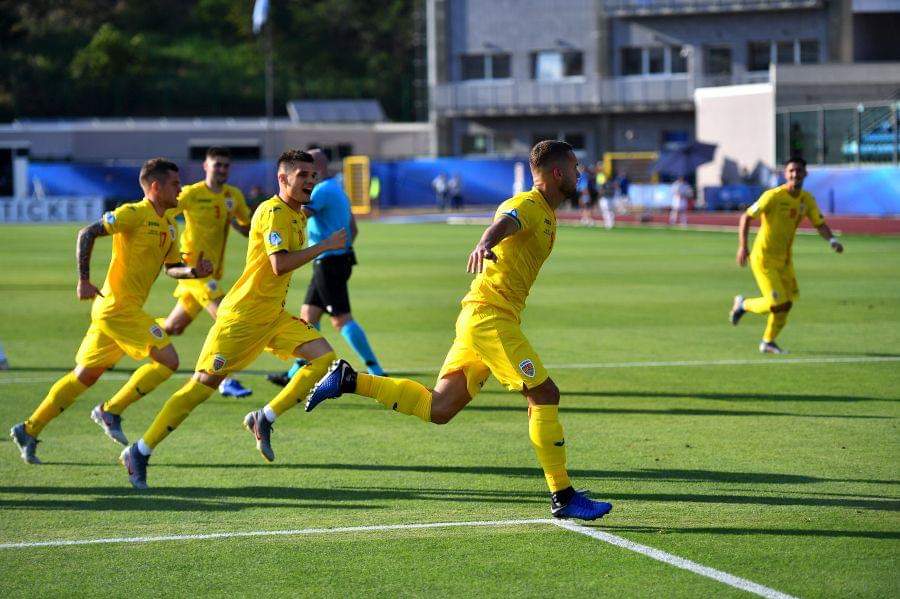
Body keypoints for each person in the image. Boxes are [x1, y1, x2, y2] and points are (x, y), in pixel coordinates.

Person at [304, 140, 613, 521]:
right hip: (489, 317)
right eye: (575, 167)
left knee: (440, 408)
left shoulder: (546, 212)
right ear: (557, 173)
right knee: (544, 392)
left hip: (482, 320)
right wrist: (485, 242)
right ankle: (562, 495)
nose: (580, 173)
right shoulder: (529, 204)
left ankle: (350, 380)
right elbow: (505, 222)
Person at [118, 150, 346, 488]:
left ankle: (263, 418)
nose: (310, 182)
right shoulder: (273, 213)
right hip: (240, 319)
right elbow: (278, 265)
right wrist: (324, 246)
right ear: (283, 179)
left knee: (324, 358)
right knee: (201, 387)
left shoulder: (296, 215)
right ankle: (140, 450)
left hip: (272, 317)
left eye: (313, 177)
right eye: (302, 176)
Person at [9, 158, 213, 464]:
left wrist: (193, 273)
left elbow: (172, 269)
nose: (180, 188)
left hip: (118, 312)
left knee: (85, 376)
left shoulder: (170, 225)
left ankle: (29, 428)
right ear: (155, 187)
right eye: (174, 183)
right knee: (168, 361)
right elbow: (87, 233)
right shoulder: (133, 213)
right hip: (117, 309)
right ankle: (111, 410)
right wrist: (83, 280)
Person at [267, 149, 385, 387]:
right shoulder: (337, 189)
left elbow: (299, 214)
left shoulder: (320, 191)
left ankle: (376, 370)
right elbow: (354, 228)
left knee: (341, 319)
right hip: (338, 259)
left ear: (316, 167)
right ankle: (294, 374)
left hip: (329, 262)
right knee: (308, 315)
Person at [161, 147, 253, 399]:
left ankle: (135, 333)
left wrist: (238, 224)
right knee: (228, 319)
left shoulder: (232, 196)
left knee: (173, 327)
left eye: (225, 165)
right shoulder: (191, 194)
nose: (221, 169)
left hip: (212, 273)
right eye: (217, 165)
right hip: (193, 271)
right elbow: (164, 213)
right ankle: (226, 379)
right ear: (206, 166)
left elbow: (249, 227)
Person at [729, 157, 844, 353]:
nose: (795, 174)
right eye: (791, 171)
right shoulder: (773, 196)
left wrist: (832, 241)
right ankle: (743, 305)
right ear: (785, 174)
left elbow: (819, 223)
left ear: (805, 174)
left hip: (784, 260)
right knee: (777, 302)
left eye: (799, 171)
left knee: (786, 304)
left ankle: (768, 342)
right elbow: (747, 216)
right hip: (763, 257)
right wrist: (743, 246)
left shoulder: (806, 199)